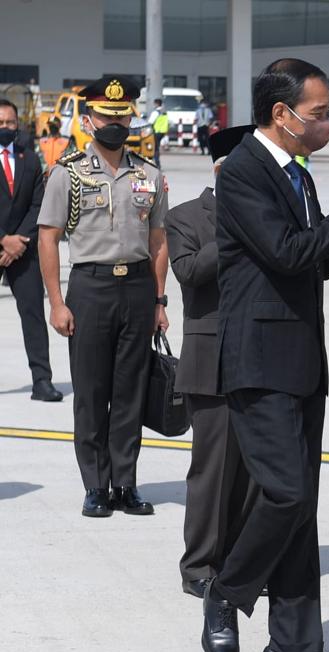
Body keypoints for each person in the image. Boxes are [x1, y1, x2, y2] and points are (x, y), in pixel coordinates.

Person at [201, 58, 329, 652]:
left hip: (301, 361)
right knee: (284, 493)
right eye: (319, 114)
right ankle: (226, 591)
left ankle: (294, 646)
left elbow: (311, 264)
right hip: (258, 362)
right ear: (281, 115)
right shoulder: (243, 172)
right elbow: (285, 253)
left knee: (302, 505)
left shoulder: (296, 174)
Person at [37, 77, 169, 517]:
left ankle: (125, 484)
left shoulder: (149, 174)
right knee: (92, 393)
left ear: (132, 118)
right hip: (90, 288)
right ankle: (95, 485)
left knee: (130, 392)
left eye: (122, 116)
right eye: (106, 117)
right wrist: (57, 301)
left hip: (135, 288)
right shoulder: (68, 173)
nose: (115, 123)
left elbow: (158, 241)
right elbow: (49, 237)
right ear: (89, 120)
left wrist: (158, 301)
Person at [166, 124, 256, 599]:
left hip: (260, 359)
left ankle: (240, 565)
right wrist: (236, 230)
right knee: (213, 470)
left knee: (253, 473)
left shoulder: (268, 215)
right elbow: (188, 271)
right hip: (211, 359)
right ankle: (199, 565)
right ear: (224, 170)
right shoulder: (187, 216)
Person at [0, 99, 61, 402]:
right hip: (4, 243)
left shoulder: (29, 158)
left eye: (10, 123)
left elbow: (39, 203)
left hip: (23, 249)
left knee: (33, 314)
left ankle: (42, 380)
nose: (6, 128)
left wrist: (19, 240)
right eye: (1, 123)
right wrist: (3, 240)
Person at [148, 98, 169, 167]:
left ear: (157, 104)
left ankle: (156, 164)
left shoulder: (156, 112)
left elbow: (150, 122)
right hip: (162, 132)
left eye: (154, 104)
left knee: (154, 147)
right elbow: (170, 122)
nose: (154, 105)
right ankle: (156, 163)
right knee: (156, 147)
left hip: (156, 132)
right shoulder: (165, 112)